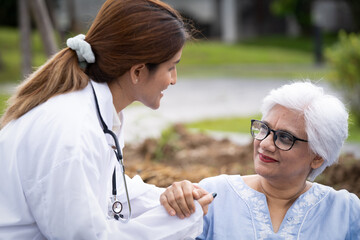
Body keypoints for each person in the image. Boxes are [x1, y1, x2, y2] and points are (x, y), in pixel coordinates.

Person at [0, 0, 214, 239]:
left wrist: (173, 198)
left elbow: (109, 190)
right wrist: (184, 219)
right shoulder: (73, 131)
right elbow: (87, 236)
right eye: (171, 67)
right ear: (138, 71)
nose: (174, 80)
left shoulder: (93, 112)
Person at [161, 81, 360, 239]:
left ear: (317, 157)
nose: (265, 143)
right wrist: (172, 203)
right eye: (264, 128)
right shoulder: (213, 196)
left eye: (284, 137)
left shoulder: (346, 212)